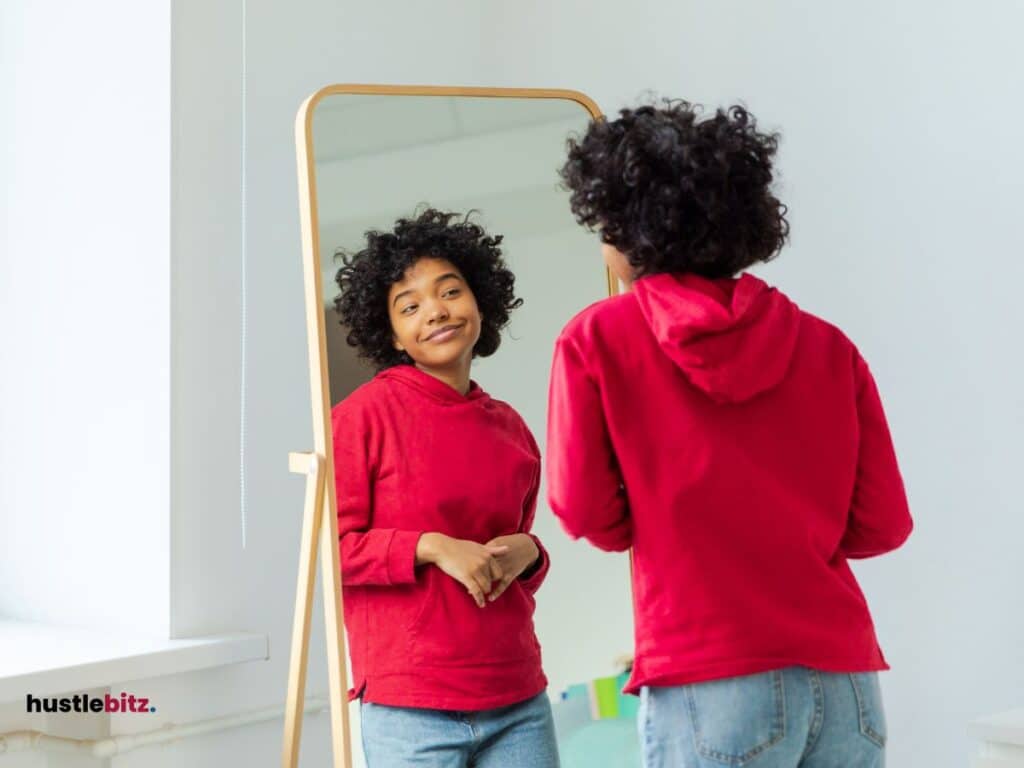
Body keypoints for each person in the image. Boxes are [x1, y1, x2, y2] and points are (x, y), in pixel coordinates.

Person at [547, 102, 912, 767]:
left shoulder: (597, 339)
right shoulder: (829, 347)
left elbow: (586, 512)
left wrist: (661, 513)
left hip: (708, 674)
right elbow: (883, 526)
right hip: (846, 680)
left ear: (633, 231)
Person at [331, 207, 559, 767]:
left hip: (519, 698)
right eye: (410, 307)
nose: (435, 311)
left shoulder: (510, 427)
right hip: (410, 708)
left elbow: (505, 559)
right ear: (392, 335)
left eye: (450, 291)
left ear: (480, 301)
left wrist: (530, 553)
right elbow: (328, 554)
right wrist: (430, 546)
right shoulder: (361, 418)